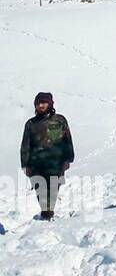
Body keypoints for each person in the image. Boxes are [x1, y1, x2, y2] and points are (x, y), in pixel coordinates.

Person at [21, 92, 74, 221]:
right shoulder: (31, 124)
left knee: (53, 188)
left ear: (50, 104)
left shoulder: (59, 120)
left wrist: (68, 158)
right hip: (36, 164)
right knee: (40, 190)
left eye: (43, 102)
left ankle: (48, 213)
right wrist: (25, 165)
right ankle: (46, 213)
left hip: (56, 163)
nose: (41, 105)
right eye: (38, 103)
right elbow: (25, 145)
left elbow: (67, 140)